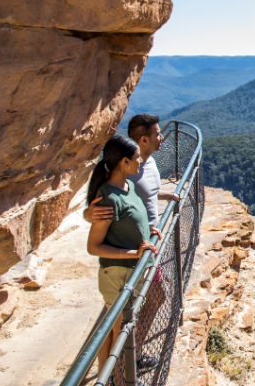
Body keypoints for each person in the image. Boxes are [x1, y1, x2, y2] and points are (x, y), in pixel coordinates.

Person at [85, 135, 161, 374]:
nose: (141, 161)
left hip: (128, 272)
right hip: (117, 274)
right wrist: (133, 253)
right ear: (125, 163)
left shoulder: (126, 186)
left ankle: (108, 377)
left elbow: (129, 220)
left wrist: (145, 230)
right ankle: (119, 379)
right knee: (122, 335)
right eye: (137, 157)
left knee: (116, 330)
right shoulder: (108, 198)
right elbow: (94, 246)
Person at [84, 113, 179, 225]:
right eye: (157, 134)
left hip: (149, 237)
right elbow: (104, 205)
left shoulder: (150, 162)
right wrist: (88, 214)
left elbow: (146, 192)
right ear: (144, 140)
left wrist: (169, 195)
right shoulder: (125, 172)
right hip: (133, 241)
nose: (161, 137)